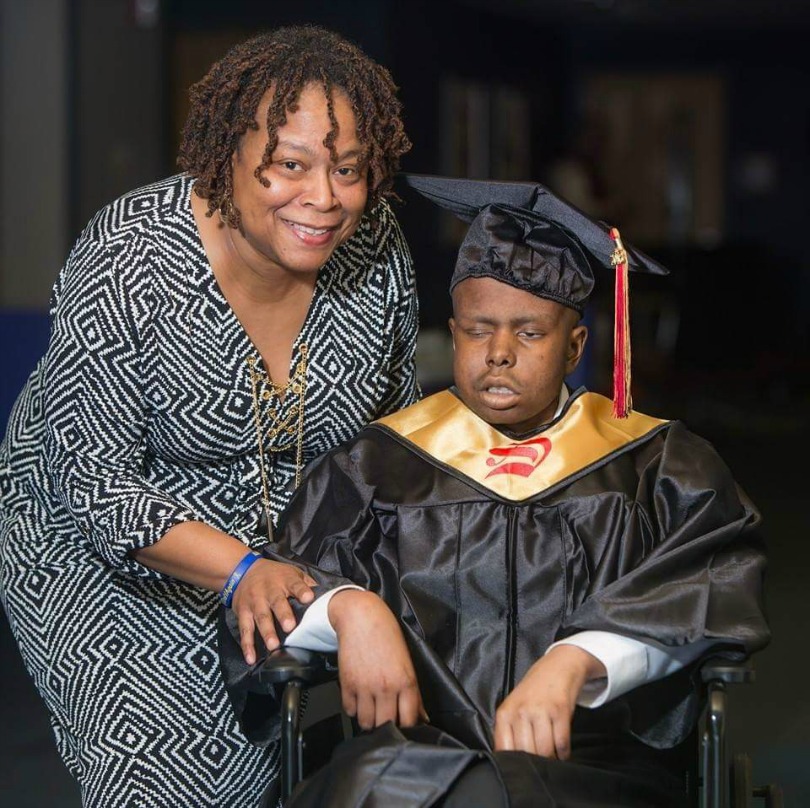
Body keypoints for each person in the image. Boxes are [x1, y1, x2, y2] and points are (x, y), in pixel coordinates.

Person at [220, 175, 770, 807]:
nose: (499, 353)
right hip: (407, 761)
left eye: (530, 333)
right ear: (453, 337)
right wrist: (347, 607)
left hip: (591, 769)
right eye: (479, 331)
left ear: (576, 346)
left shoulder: (658, 466)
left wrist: (578, 661)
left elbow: (708, 586)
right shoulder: (376, 465)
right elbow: (276, 600)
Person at [0, 25, 419, 807]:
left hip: (287, 549)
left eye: (350, 170)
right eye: (290, 165)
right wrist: (239, 569)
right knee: (168, 780)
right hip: (104, 556)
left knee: (289, 772)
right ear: (224, 155)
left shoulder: (376, 250)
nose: (324, 198)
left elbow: (393, 436)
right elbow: (95, 482)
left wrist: (359, 597)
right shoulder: (130, 257)